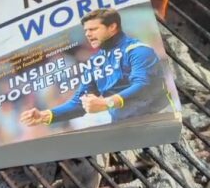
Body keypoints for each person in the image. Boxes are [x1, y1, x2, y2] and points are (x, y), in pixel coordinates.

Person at [20, 8, 173, 126]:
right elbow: (79, 103)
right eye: (86, 30)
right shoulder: (94, 62)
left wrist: (107, 103)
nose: (88, 34)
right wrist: (45, 116)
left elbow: (142, 85)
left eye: (93, 29)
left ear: (112, 27)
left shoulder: (139, 50)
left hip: (159, 117)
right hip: (124, 126)